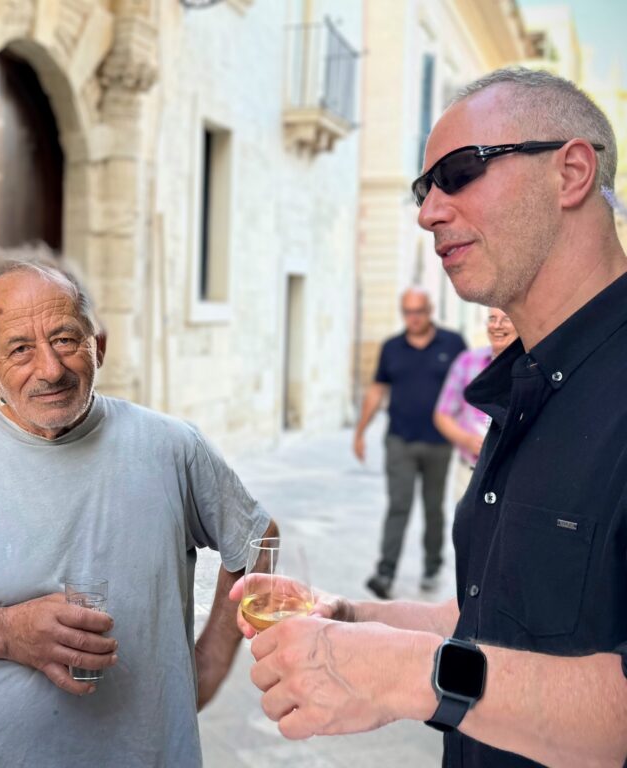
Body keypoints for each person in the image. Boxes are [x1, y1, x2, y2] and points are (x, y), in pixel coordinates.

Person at [231, 68, 627, 768]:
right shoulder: (526, 388)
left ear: (570, 173)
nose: (428, 211)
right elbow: (494, 621)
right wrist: (347, 617)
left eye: (459, 172)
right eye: (424, 188)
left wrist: (405, 677)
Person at [0, 251, 276, 767]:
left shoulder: (171, 447)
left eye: (64, 340)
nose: (49, 369)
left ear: (98, 346)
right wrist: (7, 633)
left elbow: (257, 542)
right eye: (21, 349)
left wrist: (206, 665)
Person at [353, 288, 466, 598]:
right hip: (399, 440)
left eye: (419, 311)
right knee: (398, 506)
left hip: (439, 442)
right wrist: (360, 431)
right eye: (407, 312)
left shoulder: (453, 344)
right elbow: (377, 390)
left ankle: (432, 565)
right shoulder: (392, 347)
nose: (413, 318)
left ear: (430, 310)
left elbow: (469, 386)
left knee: (434, 508)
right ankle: (385, 572)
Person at [433, 308, 518, 497]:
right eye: (492, 319)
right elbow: (442, 415)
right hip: (469, 474)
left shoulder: (531, 366)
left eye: (506, 319)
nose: (497, 325)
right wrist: (467, 440)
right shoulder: (467, 361)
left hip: (511, 478)